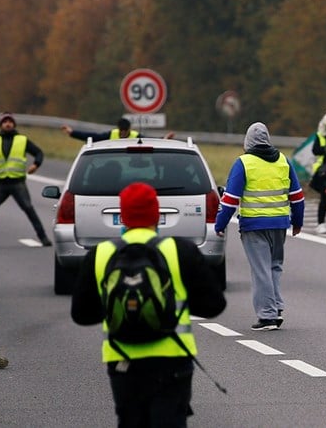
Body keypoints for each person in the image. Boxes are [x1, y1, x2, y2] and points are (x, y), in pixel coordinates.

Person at [72, 182, 226, 427]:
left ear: (122, 216)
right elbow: (214, 305)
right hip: (172, 358)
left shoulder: (100, 254)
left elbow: (81, 314)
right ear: (156, 214)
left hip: (122, 359)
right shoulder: (179, 250)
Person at [215, 122, 304, 330]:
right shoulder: (283, 161)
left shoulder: (243, 163)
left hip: (254, 225)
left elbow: (230, 199)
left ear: (248, 142)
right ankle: (276, 306)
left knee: (260, 269)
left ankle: (267, 316)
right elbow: (297, 197)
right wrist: (297, 222)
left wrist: (220, 224)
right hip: (280, 224)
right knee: (274, 266)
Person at [0, 112, 51, 247]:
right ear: (1, 125)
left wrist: (35, 165)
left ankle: (43, 237)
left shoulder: (22, 140)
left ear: (14, 124)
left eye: (10, 122)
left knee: (28, 208)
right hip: (0, 183)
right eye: (5, 122)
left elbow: (39, 152)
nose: (8, 124)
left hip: (17, 182)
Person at [309, 110, 326, 234]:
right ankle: (321, 223)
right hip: (324, 171)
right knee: (325, 199)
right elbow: (316, 150)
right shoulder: (321, 136)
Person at [61, 117, 174, 142]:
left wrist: (163, 139)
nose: (123, 133)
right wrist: (72, 133)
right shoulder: (111, 134)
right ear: (118, 129)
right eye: (121, 130)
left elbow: (149, 140)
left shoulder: (135, 136)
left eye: (125, 130)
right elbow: (93, 137)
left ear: (129, 129)